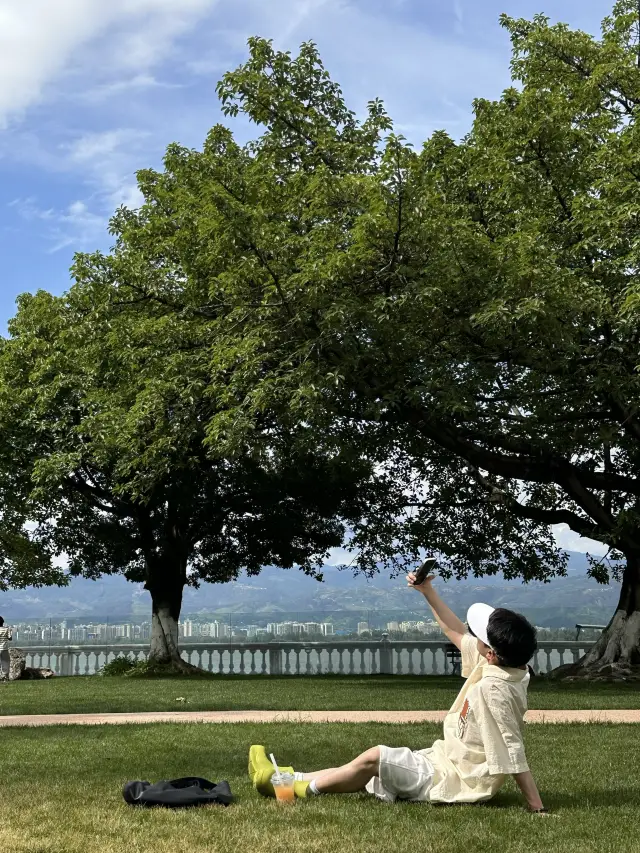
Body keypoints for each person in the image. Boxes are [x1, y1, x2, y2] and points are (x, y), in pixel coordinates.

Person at [248, 569, 549, 813]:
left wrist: (536, 805)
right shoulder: (506, 666)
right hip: (442, 760)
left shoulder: (495, 689)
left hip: (455, 780)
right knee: (360, 768)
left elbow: (511, 748)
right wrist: (427, 591)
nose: (473, 638)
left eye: (480, 637)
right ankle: (278, 778)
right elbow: (455, 631)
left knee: (374, 757)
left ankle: (298, 789)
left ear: (492, 654)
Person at [0, 616, 12, 682]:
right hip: (4, 648)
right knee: (5, 662)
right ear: (3, 622)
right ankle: (5, 677)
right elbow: (10, 638)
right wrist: (10, 632)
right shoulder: (6, 629)